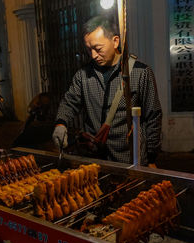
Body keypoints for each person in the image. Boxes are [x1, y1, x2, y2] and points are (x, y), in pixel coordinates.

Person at [52, 15, 162, 167]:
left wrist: (152, 157)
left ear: (115, 41)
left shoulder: (140, 73)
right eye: (88, 49)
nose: (93, 55)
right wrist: (60, 124)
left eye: (98, 49)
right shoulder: (83, 75)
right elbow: (69, 103)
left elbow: (153, 116)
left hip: (129, 159)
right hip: (95, 160)